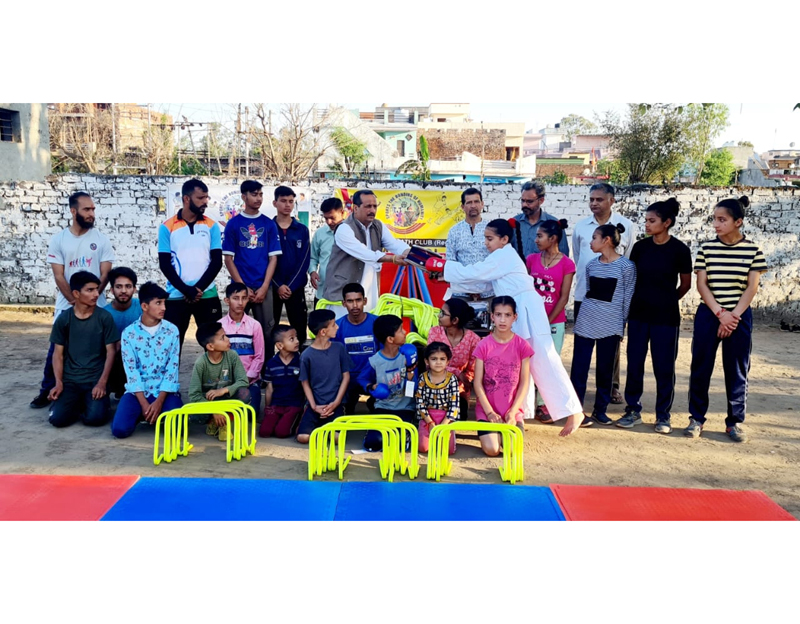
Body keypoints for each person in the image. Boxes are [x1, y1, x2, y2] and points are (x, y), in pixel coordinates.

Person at [426, 219, 584, 436]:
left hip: (527, 309)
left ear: (504, 239)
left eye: (489, 239)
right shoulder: (499, 258)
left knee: (544, 358)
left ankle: (574, 411)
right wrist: (446, 278)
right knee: (517, 363)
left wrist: (444, 267)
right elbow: (481, 283)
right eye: (485, 238)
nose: (486, 243)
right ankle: (519, 413)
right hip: (516, 311)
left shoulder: (504, 255)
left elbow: (476, 273)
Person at [686, 196, 767, 443]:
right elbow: (702, 285)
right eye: (715, 219)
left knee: (737, 369)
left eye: (722, 220)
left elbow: (752, 288)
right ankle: (696, 418)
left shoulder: (753, 250)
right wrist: (721, 314)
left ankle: (734, 422)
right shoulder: (707, 249)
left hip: (739, 316)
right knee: (701, 367)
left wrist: (733, 317)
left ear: (738, 222)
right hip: (709, 315)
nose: (716, 224)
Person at [30, 191, 114, 410]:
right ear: (73, 211)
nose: (91, 213)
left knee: (101, 351)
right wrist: (75, 302)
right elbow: (59, 276)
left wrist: (91, 299)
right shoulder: (59, 240)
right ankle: (48, 390)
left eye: (93, 209)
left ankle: (102, 391)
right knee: (57, 350)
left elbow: (105, 274)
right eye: (87, 209)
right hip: (66, 306)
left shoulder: (101, 240)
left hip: (97, 305)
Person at [618, 198, 692, 433]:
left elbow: (686, 285)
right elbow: (631, 279)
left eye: (652, 221)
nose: (647, 225)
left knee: (664, 367)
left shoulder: (680, 250)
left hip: (666, 318)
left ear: (666, 222)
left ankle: (663, 416)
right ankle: (633, 410)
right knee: (635, 364)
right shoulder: (640, 248)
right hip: (638, 315)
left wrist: (667, 300)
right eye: (646, 220)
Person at [572, 183, 635, 404]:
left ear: (611, 200)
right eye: (591, 199)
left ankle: (611, 389)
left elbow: (627, 258)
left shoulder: (627, 226)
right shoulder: (581, 227)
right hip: (585, 297)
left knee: (609, 352)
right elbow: (579, 257)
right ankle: (576, 397)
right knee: (582, 350)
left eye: (599, 199)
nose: (594, 203)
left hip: (612, 303)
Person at [47, 271, 119, 428]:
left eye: (97, 289)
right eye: (90, 290)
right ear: (76, 294)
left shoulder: (104, 317)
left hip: (95, 380)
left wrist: (102, 383)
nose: (96, 294)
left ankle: (89, 404)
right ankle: (76, 404)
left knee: (95, 419)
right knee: (57, 420)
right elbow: (57, 355)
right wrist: (58, 383)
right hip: (70, 381)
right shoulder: (64, 319)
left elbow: (111, 352)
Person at [112, 282, 183, 439]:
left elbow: (172, 368)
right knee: (119, 430)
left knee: (178, 429)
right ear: (144, 306)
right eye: (158, 303)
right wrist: (144, 404)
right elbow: (131, 371)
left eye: (164, 303)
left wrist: (159, 401)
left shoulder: (172, 331)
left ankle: (157, 413)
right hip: (138, 392)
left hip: (165, 391)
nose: (163, 307)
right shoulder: (129, 333)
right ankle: (144, 413)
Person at [158, 178, 222, 351]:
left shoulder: (212, 226)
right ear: (186, 199)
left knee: (215, 347)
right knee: (172, 348)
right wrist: (186, 290)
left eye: (206, 197)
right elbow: (165, 264)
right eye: (200, 198)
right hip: (176, 296)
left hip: (207, 294)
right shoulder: (167, 227)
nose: (205, 202)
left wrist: (197, 289)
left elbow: (217, 262)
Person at [322, 189, 411, 312]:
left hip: (369, 291)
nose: (372, 210)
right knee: (342, 324)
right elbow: (363, 252)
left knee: (369, 323)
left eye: (375, 206)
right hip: (343, 295)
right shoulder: (344, 229)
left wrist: (408, 252)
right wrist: (392, 259)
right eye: (368, 206)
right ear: (355, 208)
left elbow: (394, 244)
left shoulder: (378, 226)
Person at [222, 180, 282, 358]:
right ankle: (235, 367)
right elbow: (228, 259)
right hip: (240, 288)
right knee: (235, 329)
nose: (258, 198)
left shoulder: (268, 224)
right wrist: (242, 288)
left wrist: (264, 287)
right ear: (244, 196)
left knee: (266, 330)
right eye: (254, 194)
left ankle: (265, 369)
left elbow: (273, 258)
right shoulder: (233, 224)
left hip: (263, 287)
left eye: (260, 194)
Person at [525, 219, 576, 423]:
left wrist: (546, 321)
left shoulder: (567, 264)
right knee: (527, 361)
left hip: (553, 323)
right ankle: (525, 404)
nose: (536, 240)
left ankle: (543, 404)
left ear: (553, 238)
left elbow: (563, 297)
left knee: (548, 362)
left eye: (540, 236)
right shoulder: (531, 260)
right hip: (530, 321)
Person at [472, 296, 534, 457]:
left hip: (512, 409)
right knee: (492, 450)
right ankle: (492, 433)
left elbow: (524, 383)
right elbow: (477, 383)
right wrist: (489, 413)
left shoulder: (522, 346)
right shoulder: (483, 345)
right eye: (498, 314)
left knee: (511, 450)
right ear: (492, 316)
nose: (502, 320)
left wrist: (513, 412)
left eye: (507, 315)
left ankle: (513, 424)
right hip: (487, 410)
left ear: (515, 317)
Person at [358, 314, 418, 451]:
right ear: (390, 339)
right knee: (374, 442)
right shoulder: (375, 361)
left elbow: (412, 391)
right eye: (401, 330)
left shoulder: (408, 355)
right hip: (383, 407)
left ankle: (406, 433)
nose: (405, 332)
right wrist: (371, 387)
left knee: (399, 443)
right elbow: (362, 379)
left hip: (405, 407)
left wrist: (410, 371)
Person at [189, 321, 251, 442]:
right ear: (210, 347)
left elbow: (243, 381)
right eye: (222, 338)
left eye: (225, 335)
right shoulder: (201, 363)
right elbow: (194, 395)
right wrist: (214, 410)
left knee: (245, 394)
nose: (228, 339)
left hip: (227, 398)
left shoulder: (232, 355)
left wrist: (224, 390)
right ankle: (213, 420)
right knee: (195, 415)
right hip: (209, 401)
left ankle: (225, 421)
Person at [296, 310, 351, 444]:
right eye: (333, 325)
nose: (337, 327)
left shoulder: (339, 348)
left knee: (336, 438)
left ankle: (322, 428)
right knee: (302, 438)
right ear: (323, 332)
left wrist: (336, 402)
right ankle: (317, 426)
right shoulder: (306, 355)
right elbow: (305, 383)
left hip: (335, 404)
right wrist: (314, 406)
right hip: (315, 405)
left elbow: (346, 376)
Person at [426, 298, 480, 420]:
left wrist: (458, 382)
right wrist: (457, 372)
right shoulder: (435, 332)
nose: (439, 316)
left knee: (458, 417)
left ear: (455, 320)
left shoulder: (473, 339)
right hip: (435, 386)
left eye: (443, 313)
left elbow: (471, 373)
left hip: (459, 390)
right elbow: (430, 364)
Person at [331, 283, 379, 415]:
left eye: (358, 300)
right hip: (348, 379)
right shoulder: (337, 327)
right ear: (344, 303)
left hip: (373, 377)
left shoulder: (377, 323)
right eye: (350, 301)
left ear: (365, 301)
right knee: (345, 412)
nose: (355, 305)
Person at [271, 186, 311, 345]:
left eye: (291, 201)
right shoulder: (268, 228)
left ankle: (300, 358)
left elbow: (304, 260)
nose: (287, 205)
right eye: (283, 201)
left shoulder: (301, 229)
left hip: (295, 288)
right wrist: (278, 285)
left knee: (299, 328)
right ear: (275, 203)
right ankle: (269, 359)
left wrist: (290, 286)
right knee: (270, 328)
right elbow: (264, 261)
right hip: (272, 287)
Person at [221, 282, 265, 414]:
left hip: (249, 381)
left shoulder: (255, 325)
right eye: (235, 298)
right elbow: (216, 357)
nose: (240, 303)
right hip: (225, 381)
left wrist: (246, 379)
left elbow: (259, 356)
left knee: (250, 413)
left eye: (244, 298)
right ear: (227, 301)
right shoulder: (220, 326)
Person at [444, 188, 494, 304]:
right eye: (469, 202)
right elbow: (451, 263)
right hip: (461, 294)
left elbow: (496, 260)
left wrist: (479, 288)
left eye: (476, 202)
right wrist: (469, 288)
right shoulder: (454, 231)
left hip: (488, 292)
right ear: (463, 207)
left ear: (482, 204)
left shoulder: (492, 229)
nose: (473, 206)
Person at [260, 325, 304, 438]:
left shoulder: (301, 361)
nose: (297, 341)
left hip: (294, 404)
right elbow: (269, 388)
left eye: (296, 337)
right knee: (264, 432)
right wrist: (268, 407)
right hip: (277, 404)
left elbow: (305, 385)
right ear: (280, 345)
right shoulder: (271, 363)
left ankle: (298, 419)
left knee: (281, 432)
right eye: (292, 339)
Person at [416, 342, 460, 454]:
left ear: (448, 361)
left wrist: (444, 424)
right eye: (434, 359)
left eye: (442, 359)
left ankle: (447, 435)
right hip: (427, 417)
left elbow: (454, 405)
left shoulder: (452, 379)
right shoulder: (423, 378)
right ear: (427, 361)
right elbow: (420, 403)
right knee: (423, 448)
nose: (438, 362)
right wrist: (430, 423)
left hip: (446, 417)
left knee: (448, 450)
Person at [106, 267, 142, 399]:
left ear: (134, 289)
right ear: (111, 290)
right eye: (118, 287)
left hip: (140, 360)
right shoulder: (104, 314)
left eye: (128, 286)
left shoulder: (143, 308)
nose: (123, 291)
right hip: (113, 360)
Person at [510, 180, 570, 259]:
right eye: (522, 200)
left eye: (529, 201)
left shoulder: (554, 225)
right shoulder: (513, 223)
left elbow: (563, 256)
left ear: (541, 200)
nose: (524, 205)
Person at [310, 197, 346, 309]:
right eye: (326, 218)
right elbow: (313, 257)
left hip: (345, 294)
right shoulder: (320, 234)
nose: (329, 222)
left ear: (342, 213)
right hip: (323, 291)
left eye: (332, 218)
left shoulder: (352, 233)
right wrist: (312, 271)